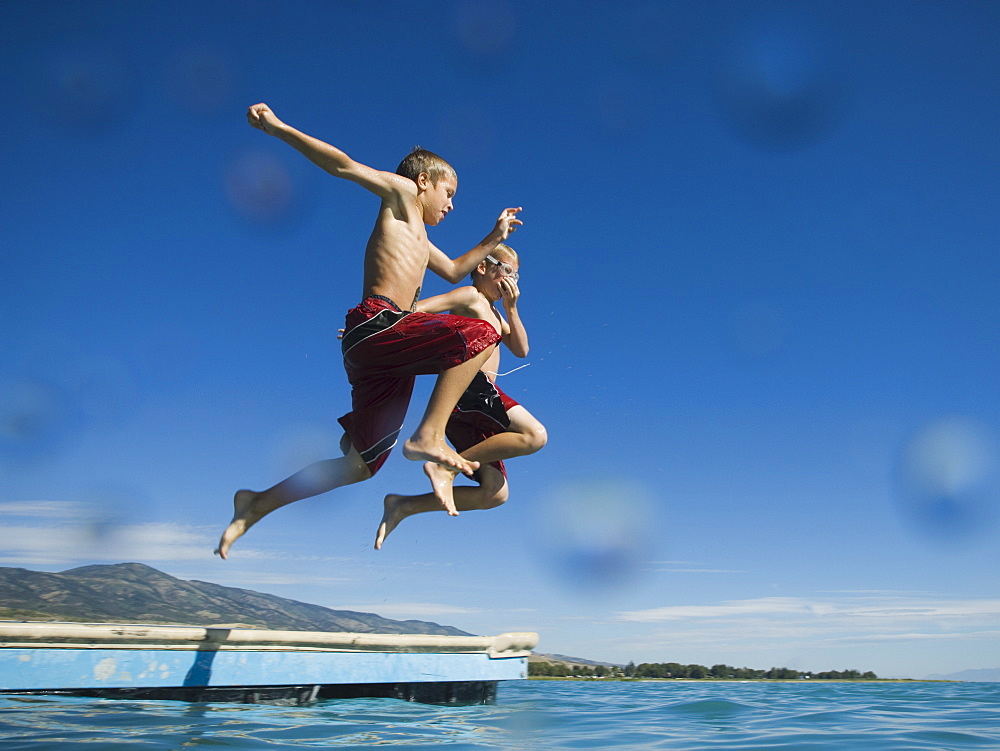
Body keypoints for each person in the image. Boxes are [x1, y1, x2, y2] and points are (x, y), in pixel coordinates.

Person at [215, 103, 522, 559]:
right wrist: (279, 129)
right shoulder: (400, 195)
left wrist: (493, 239)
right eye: (449, 192)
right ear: (423, 182)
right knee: (481, 330)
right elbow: (343, 165)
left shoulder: (421, 238)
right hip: (378, 323)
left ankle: (257, 502)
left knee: (360, 466)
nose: (452, 204)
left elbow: (457, 270)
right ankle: (429, 436)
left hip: (385, 350)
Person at [375, 243, 547, 549]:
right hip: (471, 390)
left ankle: (404, 505)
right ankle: (446, 466)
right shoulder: (472, 297)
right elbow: (420, 309)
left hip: (473, 407)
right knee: (534, 435)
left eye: (517, 276)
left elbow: (522, 350)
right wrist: (377, 327)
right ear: (482, 267)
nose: (511, 281)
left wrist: (511, 308)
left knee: (494, 493)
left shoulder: (497, 313)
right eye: (505, 271)